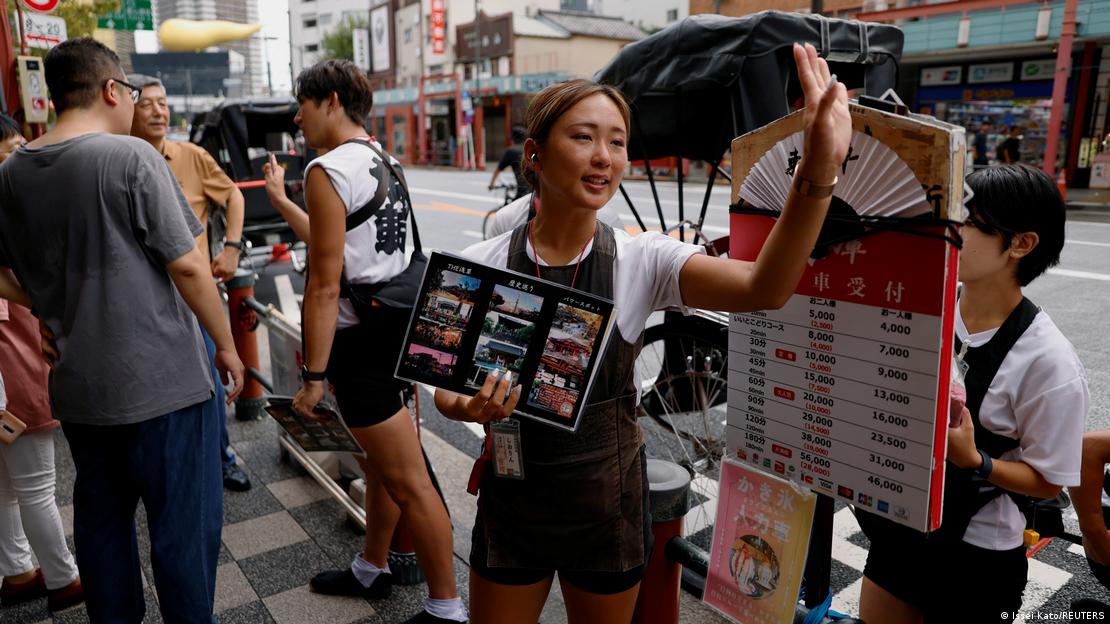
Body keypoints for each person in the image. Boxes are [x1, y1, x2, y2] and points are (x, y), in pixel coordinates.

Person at [433, 43, 850, 624]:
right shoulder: (480, 264)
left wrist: (818, 170)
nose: (603, 156)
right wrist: (465, 405)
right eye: (582, 137)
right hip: (513, 502)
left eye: (618, 141)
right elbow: (448, 389)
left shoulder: (642, 260)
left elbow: (764, 287)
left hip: (608, 509)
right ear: (536, 153)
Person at [0, 38, 245, 623]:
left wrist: (47, 307)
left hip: (81, 391)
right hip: (166, 384)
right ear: (111, 90)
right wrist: (229, 347)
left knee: (103, 523)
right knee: (181, 530)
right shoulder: (130, 158)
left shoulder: (13, 172)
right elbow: (188, 264)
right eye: (132, 93)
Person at [856, 164, 1088, 624]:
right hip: (901, 532)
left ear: (1020, 244)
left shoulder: (1050, 362)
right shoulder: (922, 307)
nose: (950, 231)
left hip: (977, 555)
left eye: (969, 223)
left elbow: (1049, 481)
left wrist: (975, 461)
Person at [288, 60, 466, 624]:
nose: (297, 116)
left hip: (359, 344)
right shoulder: (383, 158)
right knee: (384, 464)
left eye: (303, 104)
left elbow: (322, 284)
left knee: (409, 479)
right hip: (396, 326)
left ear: (331, 100)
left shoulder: (327, 169)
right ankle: (373, 566)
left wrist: (314, 377)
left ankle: (447, 608)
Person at [127, 73, 252, 492]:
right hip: (140, 301)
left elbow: (233, 194)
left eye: (162, 103)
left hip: (194, 296)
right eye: (147, 104)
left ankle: (222, 456)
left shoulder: (191, 155)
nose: (159, 111)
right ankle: (160, 468)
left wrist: (232, 248)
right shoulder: (119, 161)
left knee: (211, 380)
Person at [0, 114, 83, 613]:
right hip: (13, 364)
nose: (18, 159)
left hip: (12, 362)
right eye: (9, 150)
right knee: (36, 485)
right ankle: (65, 579)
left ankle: (19, 571)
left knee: (8, 486)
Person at [488, 125, 529, 200]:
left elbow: (498, 169)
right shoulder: (528, 148)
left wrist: (491, 184)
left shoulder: (511, 151)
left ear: (512, 139)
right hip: (536, 189)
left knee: (512, 210)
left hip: (523, 191)